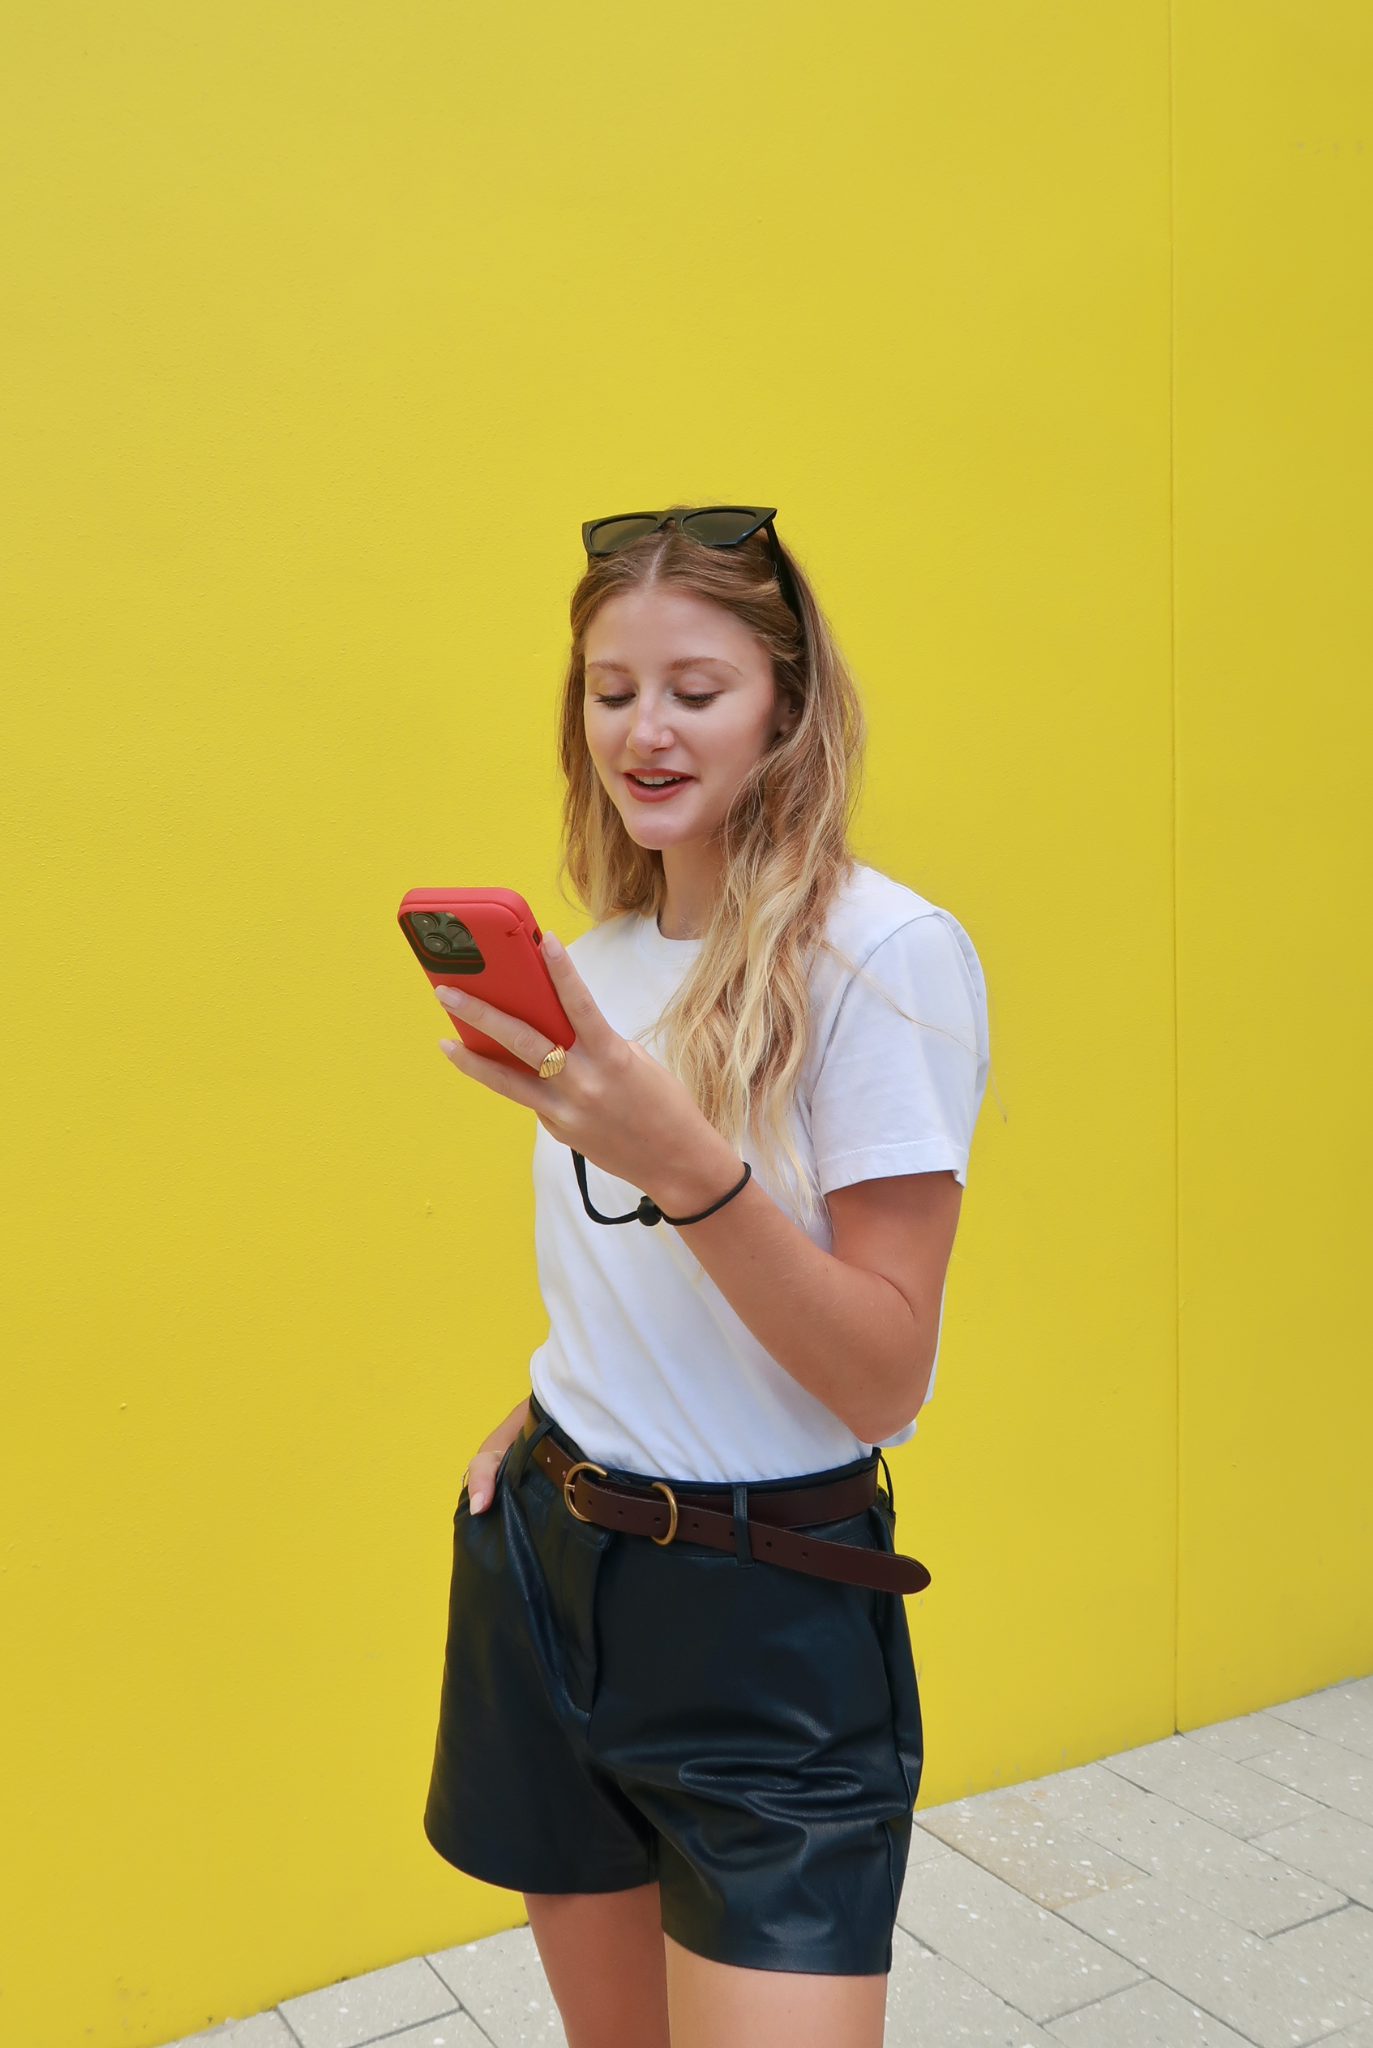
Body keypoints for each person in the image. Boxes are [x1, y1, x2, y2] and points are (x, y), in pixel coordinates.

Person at [421, 506, 991, 2048]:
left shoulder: (883, 956)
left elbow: (883, 1374)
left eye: (696, 689)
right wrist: (549, 1411)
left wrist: (686, 1165)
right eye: (613, 692)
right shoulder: (598, 965)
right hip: (549, 1572)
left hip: (770, 1620)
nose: (645, 731)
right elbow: (628, 1283)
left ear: (786, 706)